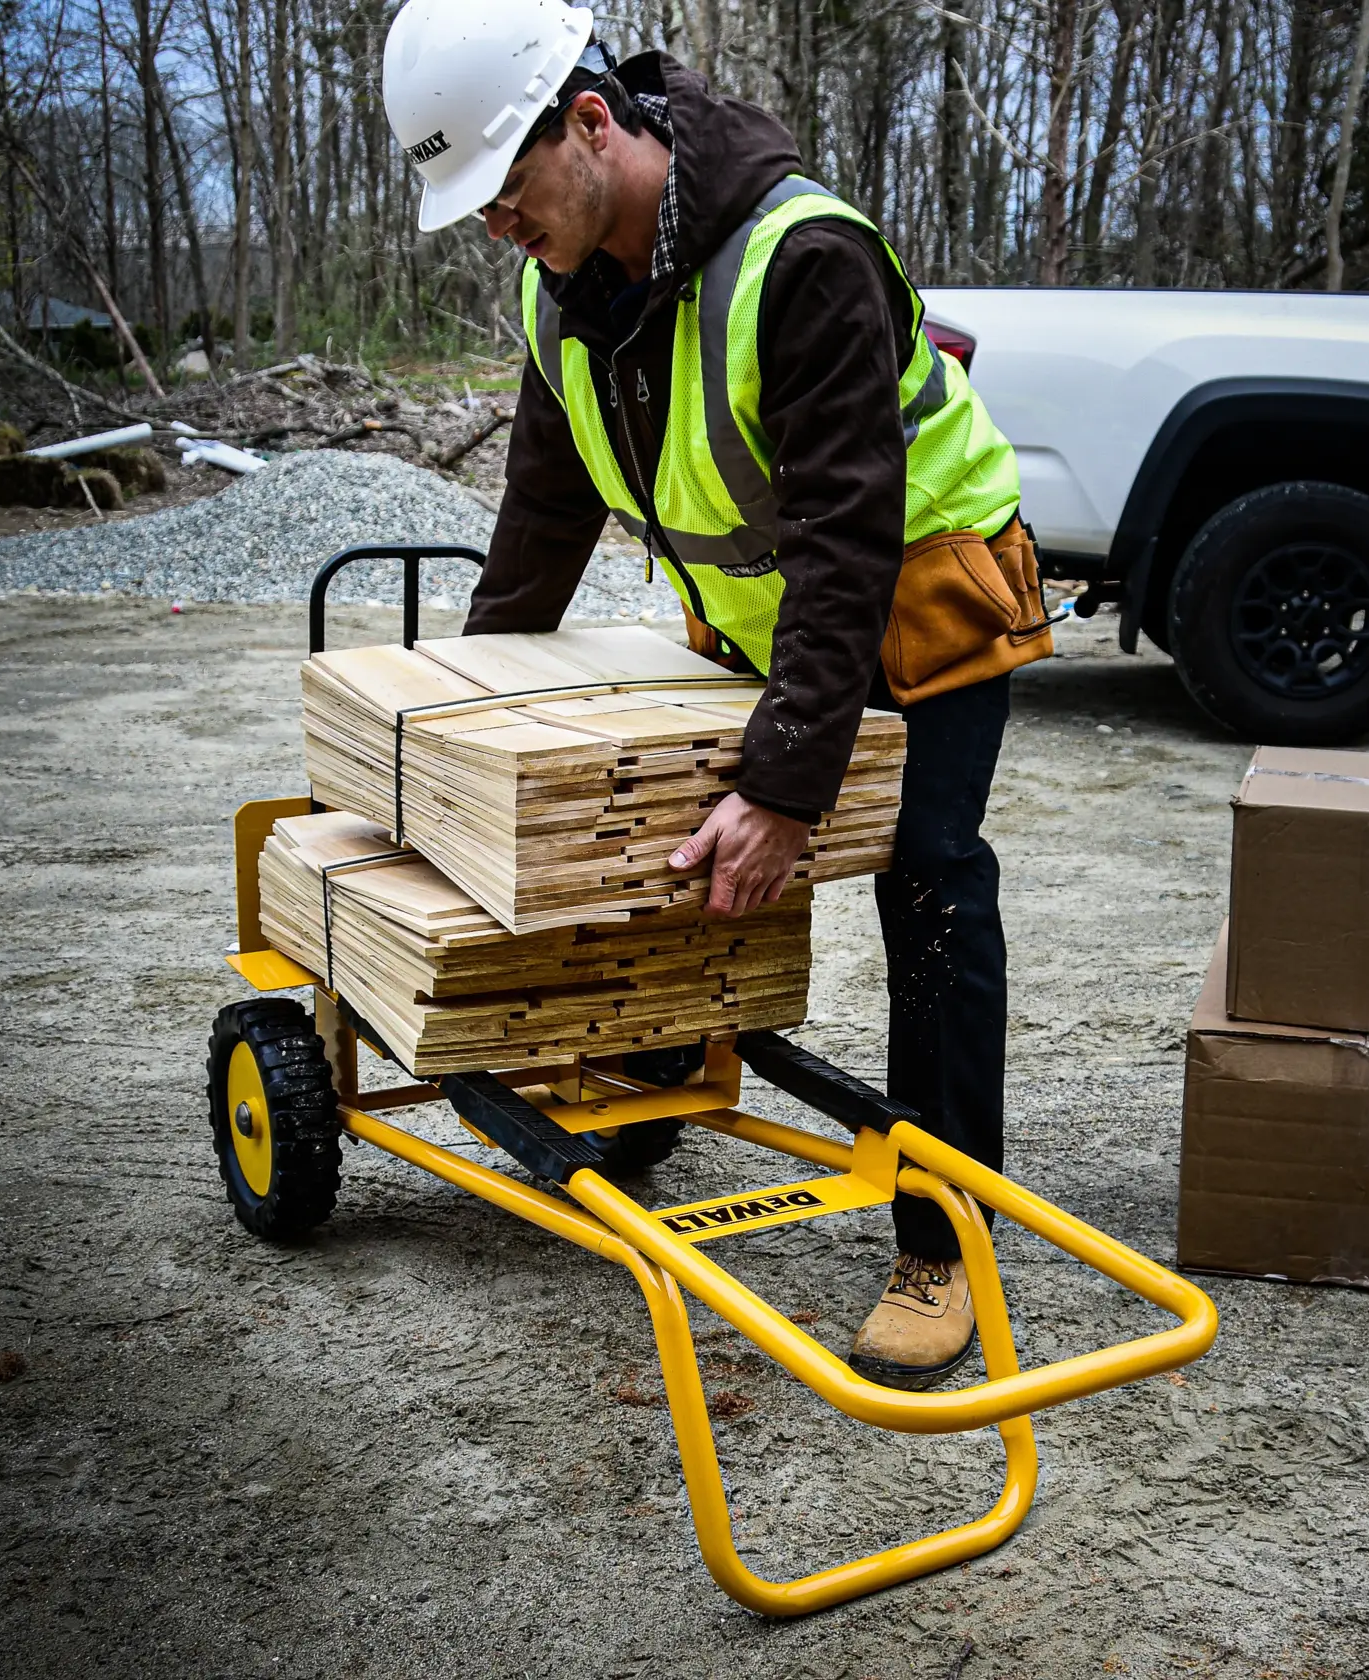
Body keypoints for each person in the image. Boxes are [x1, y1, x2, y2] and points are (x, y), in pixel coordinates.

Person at [382, 0, 1052, 1389]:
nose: (500, 227)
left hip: (920, 589)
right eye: (480, 211)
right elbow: (541, 516)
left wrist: (785, 785)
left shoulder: (799, 256)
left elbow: (848, 538)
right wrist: (459, 716)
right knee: (665, 835)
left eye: (507, 192)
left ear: (591, 122)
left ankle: (946, 1239)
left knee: (926, 876)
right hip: (773, 616)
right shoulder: (555, 286)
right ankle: (654, 1085)